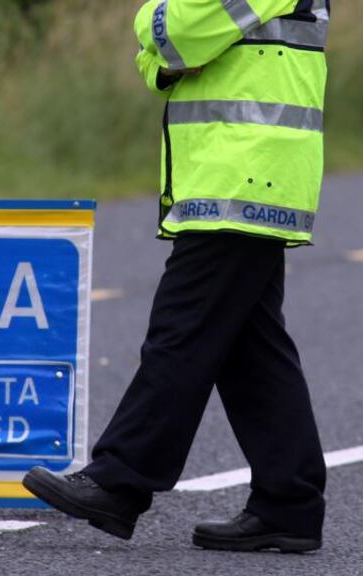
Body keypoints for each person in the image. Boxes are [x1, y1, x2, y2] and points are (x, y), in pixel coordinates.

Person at [24, 0, 331, 553]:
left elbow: (179, 32)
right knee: (250, 349)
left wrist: (153, 27)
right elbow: (162, 61)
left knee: (182, 331)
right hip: (237, 173)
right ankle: (289, 504)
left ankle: (119, 481)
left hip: (245, 174)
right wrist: (164, 44)